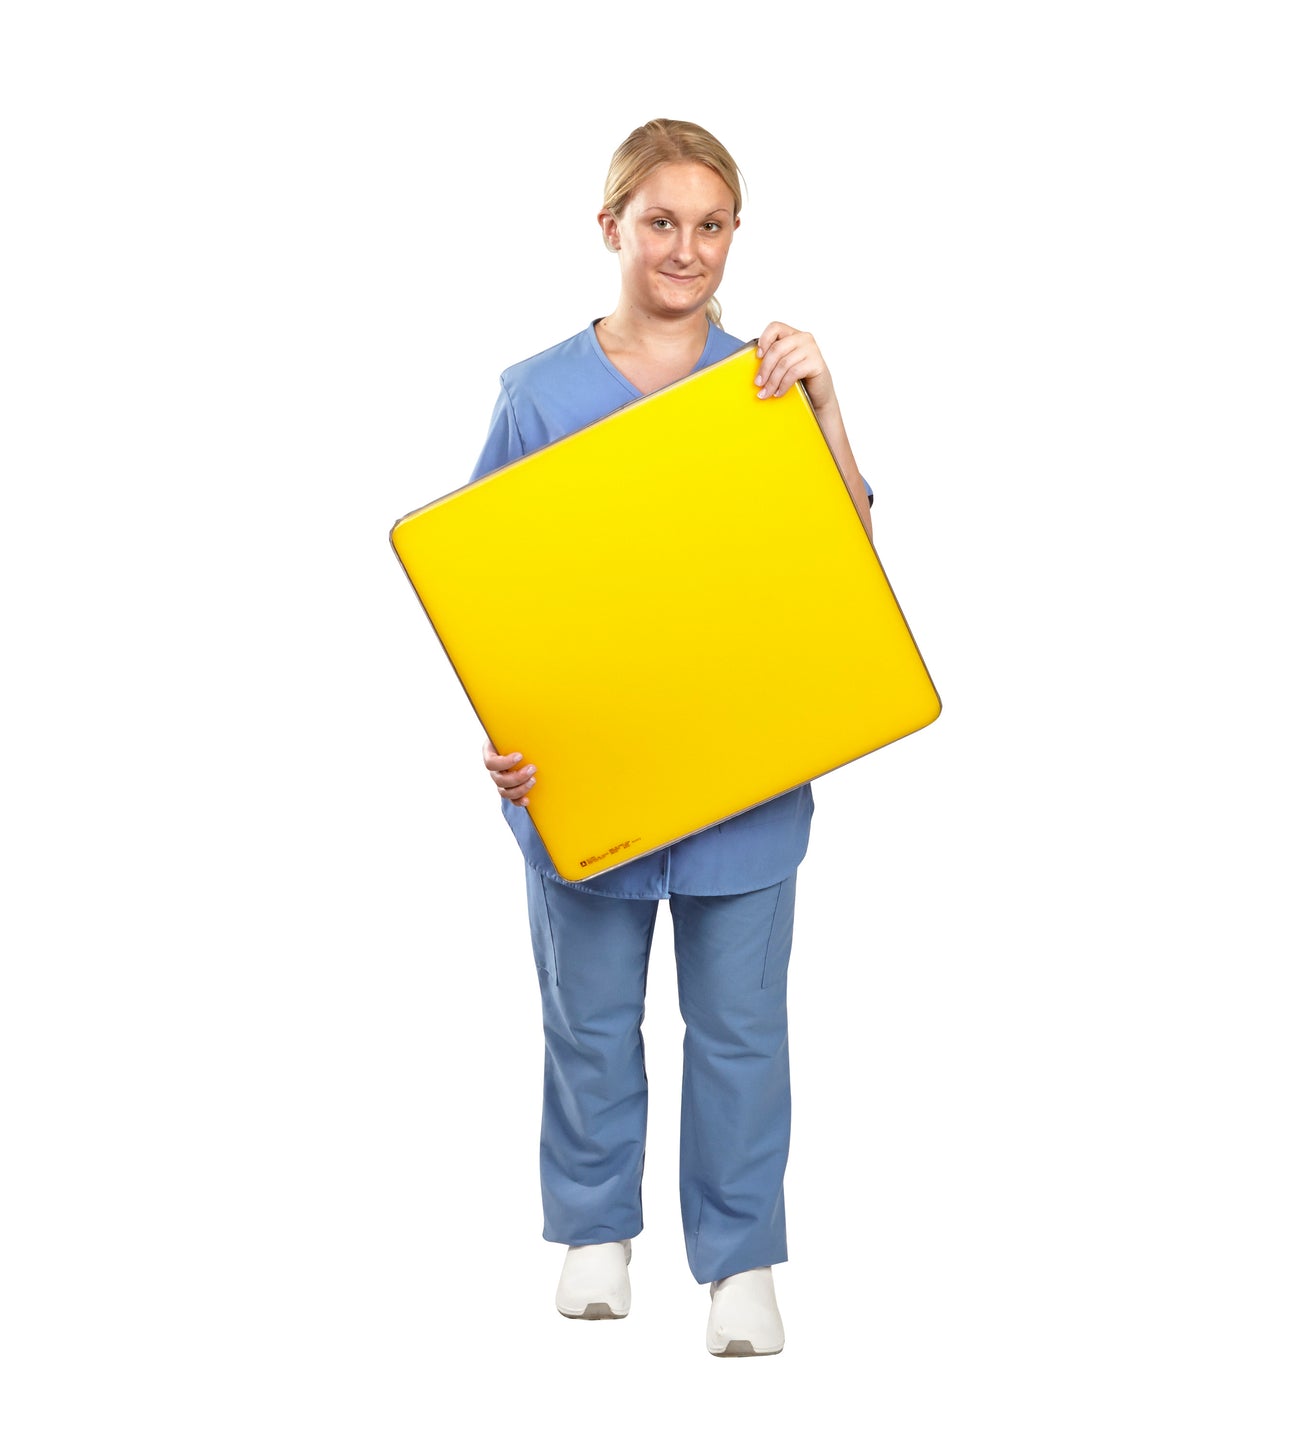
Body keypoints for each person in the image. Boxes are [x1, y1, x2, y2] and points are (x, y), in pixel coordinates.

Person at [469, 118, 873, 1357]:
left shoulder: (765, 385)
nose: (684, 248)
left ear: (733, 233)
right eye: (659, 222)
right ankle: (597, 1231)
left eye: (708, 224)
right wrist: (505, 739)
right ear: (611, 228)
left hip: (740, 763)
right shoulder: (537, 392)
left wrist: (823, 396)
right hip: (592, 765)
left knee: (741, 1028)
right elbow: (484, 590)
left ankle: (738, 1258)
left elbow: (844, 555)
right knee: (589, 1014)